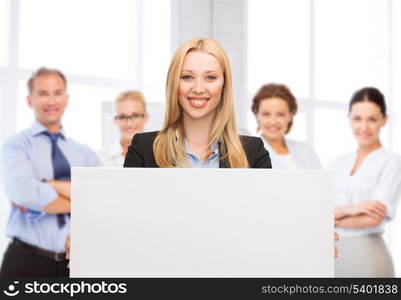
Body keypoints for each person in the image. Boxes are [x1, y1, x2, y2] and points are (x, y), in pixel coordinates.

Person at [0, 67, 100, 277]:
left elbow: (103, 199)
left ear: (66, 98)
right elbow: (24, 193)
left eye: (57, 93)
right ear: (30, 100)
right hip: (25, 261)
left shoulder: (85, 154)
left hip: (75, 264)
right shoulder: (15, 145)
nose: (51, 101)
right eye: (43, 94)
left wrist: (48, 185)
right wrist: (81, 200)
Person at [123, 38, 271, 169]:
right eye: (187, 77)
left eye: (210, 77)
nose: (198, 89)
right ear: (174, 84)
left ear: (224, 86)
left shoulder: (254, 152)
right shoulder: (142, 150)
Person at [330, 87, 401, 277]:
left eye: (372, 119)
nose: (364, 127)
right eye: (357, 118)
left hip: (369, 257)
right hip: (333, 255)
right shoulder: (336, 163)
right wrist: (353, 209)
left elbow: (373, 217)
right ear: (349, 118)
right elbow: (319, 211)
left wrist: (331, 217)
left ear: (384, 120)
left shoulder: (391, 162)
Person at [251, 83, 321, 169]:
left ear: (290, 116)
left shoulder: (305, 151)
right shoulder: (250, 152)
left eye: (280, 114)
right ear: (257, 116)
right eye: (266, 114)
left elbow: (322, 181)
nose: (273, 121)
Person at [98, 90, 149, 167]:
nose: (129, 124)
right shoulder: (100, 158)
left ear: (145, 118)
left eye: (135, 115)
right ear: (115, 120)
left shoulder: (160, 156)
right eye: (122, 117)